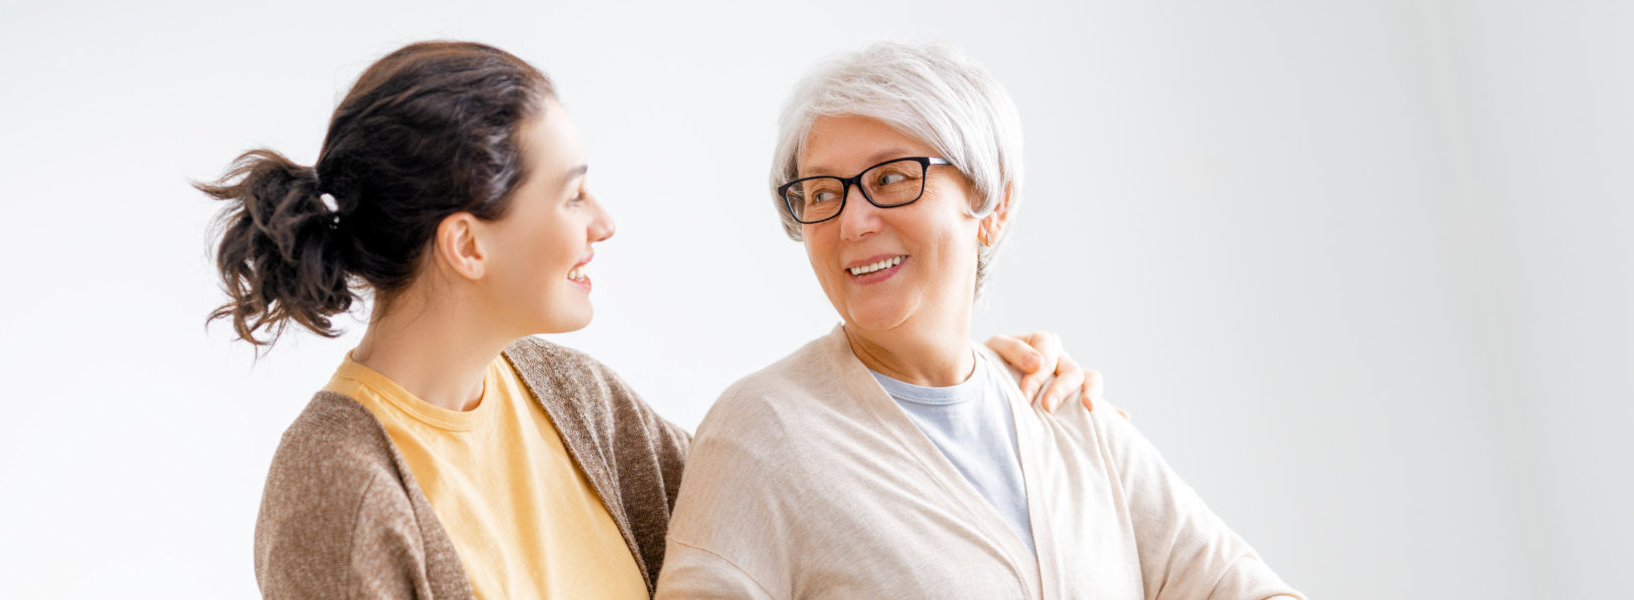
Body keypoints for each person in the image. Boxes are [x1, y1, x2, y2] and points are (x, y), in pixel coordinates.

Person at [197, 41, 1100, 599]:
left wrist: (974, 392)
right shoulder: (343, 490)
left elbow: (806, 504)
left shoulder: (566, 397)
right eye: (573, 194)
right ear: (468, 246)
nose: (604, 223)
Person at [658, 42, 1304, 599]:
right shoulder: (762, 433)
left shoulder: (1068, 414)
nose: (852, 222)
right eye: (823, 193)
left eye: (890, 179)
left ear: (991, 203)